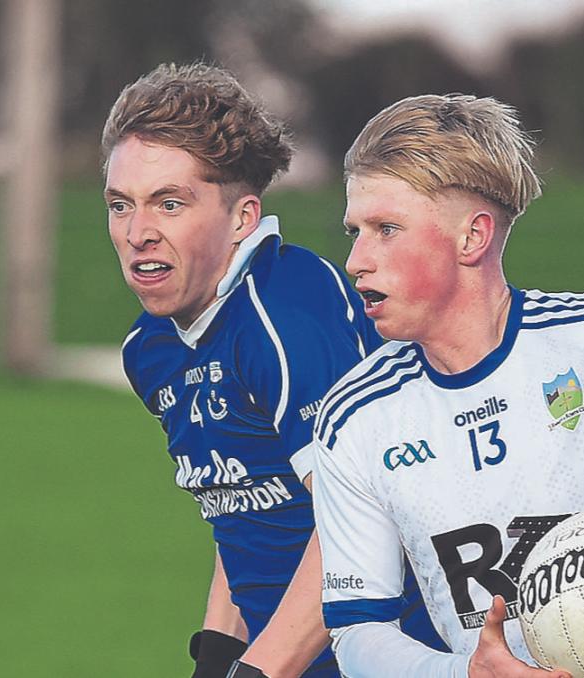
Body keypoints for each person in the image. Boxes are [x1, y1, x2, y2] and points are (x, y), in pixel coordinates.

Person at [311, 93, 584, 677]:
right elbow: (358, 629)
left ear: (473, 237)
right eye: (354, 232)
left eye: (386, 229)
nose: (357, 260)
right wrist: (463, 674)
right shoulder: (356, 417)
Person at [102, 63, 444, 678]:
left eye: (169, 203)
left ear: (242, 219)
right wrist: (219, 650)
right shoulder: (150, 346)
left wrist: (261, 670)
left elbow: (361, 519)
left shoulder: (285, 314)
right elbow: (242, 504)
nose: (138, 233)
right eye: (120, 205)